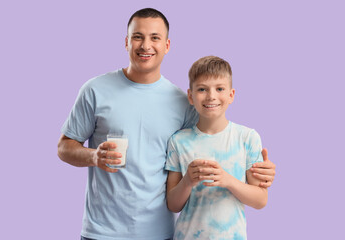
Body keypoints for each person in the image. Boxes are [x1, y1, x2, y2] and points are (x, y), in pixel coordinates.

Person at [57, 8, 276, 240]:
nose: (145, 45)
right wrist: (94, 157)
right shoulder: (95, 90)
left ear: (167, 45)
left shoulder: (183, 102)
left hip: (159, 233)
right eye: (138, 37)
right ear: (126, 42)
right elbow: (64, 147)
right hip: (101, 232)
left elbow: (211, 139)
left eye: (155, 38)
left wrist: (259, 173)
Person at [165, 56, 268, 239]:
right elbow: (173, 205)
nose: (211, 96)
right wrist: (187, 180)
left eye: (219, 88)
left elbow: (260, 199)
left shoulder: (247, 138)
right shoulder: (178, 141)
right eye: (202, 89)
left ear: (231, 95)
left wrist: (227, 180)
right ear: (190, 96)